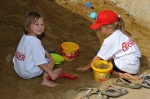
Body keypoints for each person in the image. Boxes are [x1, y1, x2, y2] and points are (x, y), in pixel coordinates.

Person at [76, 10, 141, 80]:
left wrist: (86, 67)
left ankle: (122, 75)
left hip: (125, 67)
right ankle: (124, 72)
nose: (99, 29)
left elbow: (98, 58)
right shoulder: (121, 33)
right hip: (135, 65)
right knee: (109, 58)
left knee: (99, 65)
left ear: (107, 27)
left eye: (100, 27)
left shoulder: (109, 40)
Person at [13, 11, 62, 87]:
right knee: (51, 60)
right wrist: (50, 70)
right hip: (27, 72)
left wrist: (44, 52)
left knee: (43, 55)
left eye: (42, 24)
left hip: (18, 69)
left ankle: (50, 71)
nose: (40, 27)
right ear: (28, 25)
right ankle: (45, 80)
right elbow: (40, 63)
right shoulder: (35, 42)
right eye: (36, 24)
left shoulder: (25, 36)